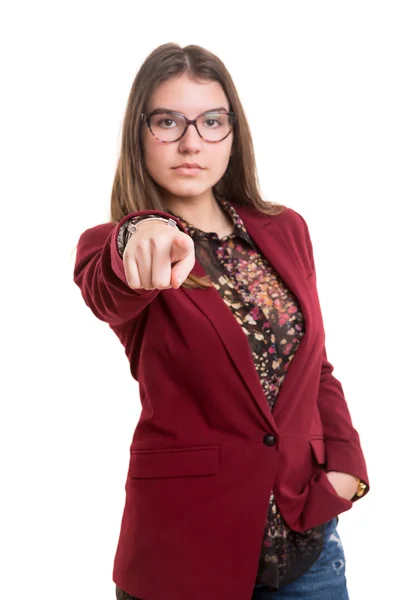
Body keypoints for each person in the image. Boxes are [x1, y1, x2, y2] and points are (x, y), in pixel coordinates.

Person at [73, 42, 369, 600]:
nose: (192, 142)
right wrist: (138, 232)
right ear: (140, 133)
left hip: (307, 549)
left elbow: (317, 369)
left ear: (233, 133)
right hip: (184, 553)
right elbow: (108, 286)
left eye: (211, 121)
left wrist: (347, 468)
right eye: (168, 121)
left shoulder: (285, 230)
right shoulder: (127, 245)